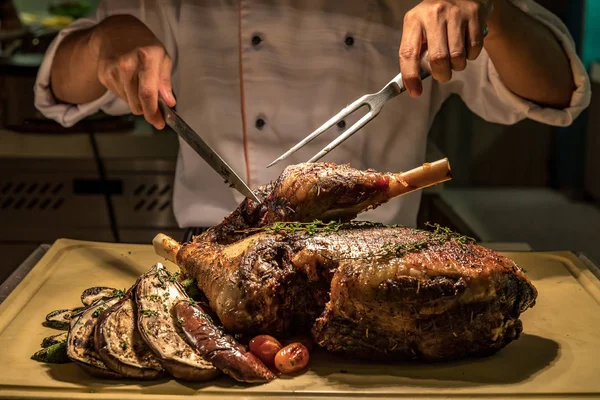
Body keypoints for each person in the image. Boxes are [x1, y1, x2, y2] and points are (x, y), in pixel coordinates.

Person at [34, 0, 591, 238]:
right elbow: (59, 85)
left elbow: (558, 90)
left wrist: (488, 9)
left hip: (376, 254)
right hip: (213, 250)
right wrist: (106, 39)